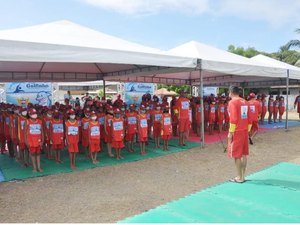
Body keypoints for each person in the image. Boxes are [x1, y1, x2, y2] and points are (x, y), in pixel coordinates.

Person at [227, 86, 252, 183]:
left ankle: (239, 177)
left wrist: (231, 132)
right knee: (244, 154)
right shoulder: (245, 101)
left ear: (231, 92)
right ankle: (243, 176)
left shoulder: (232, 102)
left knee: (237, 155)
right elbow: (249, 118)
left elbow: (233, 119)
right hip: (244, 130)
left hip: (237, 131)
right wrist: (248, 130)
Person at [24, 108, 44, 172]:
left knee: (38, 154)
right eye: (33, 114)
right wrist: (26, 142)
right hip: (31, 141)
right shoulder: (27, 121)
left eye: (35, 114)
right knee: (32, 154)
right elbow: (24, 133)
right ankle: (34, 168)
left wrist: (42, 141)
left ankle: (39, 167)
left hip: (38, 141)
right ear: (30, 115)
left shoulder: (40, 121)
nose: (35, 115)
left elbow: (42, 132)